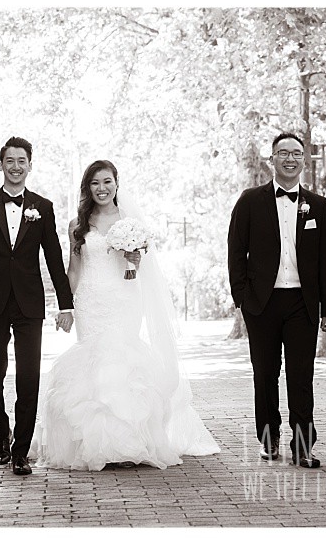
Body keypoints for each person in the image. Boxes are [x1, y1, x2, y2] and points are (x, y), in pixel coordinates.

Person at [29, 160, 220, 471]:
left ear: (116, 183)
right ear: (87, 188)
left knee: (122, 362)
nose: (101, 188)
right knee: (93, 364)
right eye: (95, 183)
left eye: (107, 182)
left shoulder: (132, 220)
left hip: (124, 297)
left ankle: (128, 442)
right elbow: (74, 268)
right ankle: (94, 443)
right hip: (91, 298)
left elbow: (144, 265)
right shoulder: (78, 224)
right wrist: (67, 305)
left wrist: (135, 257)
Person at [0, 136, 74, 476]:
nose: (16, 165)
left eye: (22, 160)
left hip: (28, 304)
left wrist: (65, 305)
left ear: (29, 165)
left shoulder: (43, 206)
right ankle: (1, 433)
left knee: (28, 378)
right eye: (10, 160)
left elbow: (54, 257)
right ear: (1, 164)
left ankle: (21, 451)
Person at [227, 132, 326, 469]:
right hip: (262, 303)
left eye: (296, 153)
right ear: (271, 158)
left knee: (301, 376)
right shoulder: (250, 200)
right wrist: (242, 297)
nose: (290, 158)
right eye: (283, 153)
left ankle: (303, 447)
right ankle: (269, 441)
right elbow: (235, 251)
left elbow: (325, 259)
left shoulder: (317, 205)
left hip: (303, 303)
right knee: (265, 374)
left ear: (304, 160)